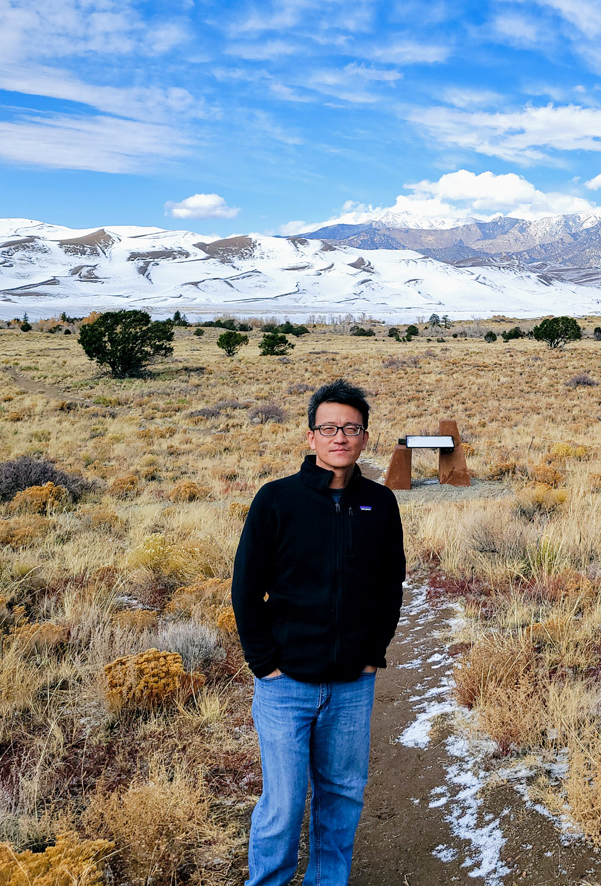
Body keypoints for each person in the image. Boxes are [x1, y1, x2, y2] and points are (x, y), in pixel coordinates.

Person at [232, 378, 406, 886]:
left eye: (351, 428)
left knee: (342, 795)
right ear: (311, 437)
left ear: (365, 437)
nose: (340, 437)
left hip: (352, 684)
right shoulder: (277, 500)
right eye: (329, 428)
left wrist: (372, 654)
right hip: (285, 683)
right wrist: (264, 663)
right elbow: (246, 587)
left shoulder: (380, 502)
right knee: (283, 805)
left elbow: (389, 584)